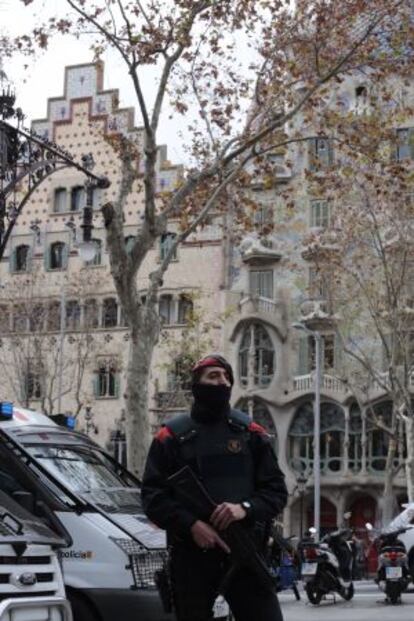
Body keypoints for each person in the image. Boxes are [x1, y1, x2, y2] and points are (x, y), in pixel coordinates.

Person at [141, 354, 288, 621]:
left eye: (225, 377)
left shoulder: (251, 433)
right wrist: (191, 525)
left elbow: (276, 492)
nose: (221, 382)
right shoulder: (171, 437)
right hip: (192, 559)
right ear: (196, 386)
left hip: (244, 553)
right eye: (212, 376)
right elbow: (152, 497)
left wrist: (244, 509)